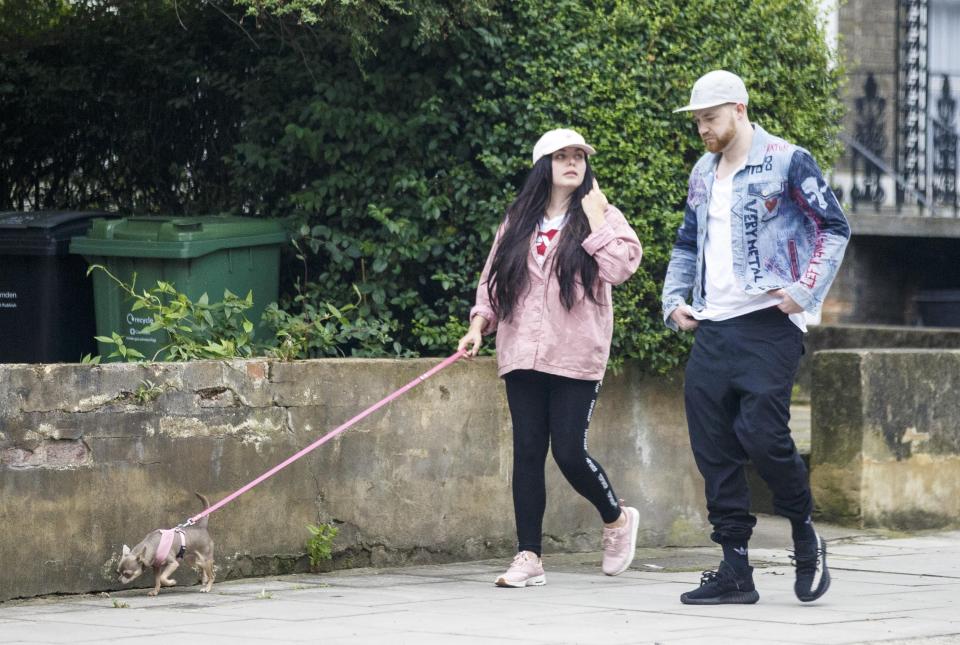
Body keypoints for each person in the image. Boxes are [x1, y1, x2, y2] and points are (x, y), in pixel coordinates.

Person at [662, 70, 850, 605]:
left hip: (770, 323)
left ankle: (803, 531)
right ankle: (735, 569)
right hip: (713, 326)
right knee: (713, 449)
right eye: (697, 120)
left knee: (762, 436)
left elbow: (833, 227)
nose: (703, 128)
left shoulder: (789, 159)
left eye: (711, 118)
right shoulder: (702, 172)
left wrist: (805, 290)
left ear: (740, 110)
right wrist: (674, 300)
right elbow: (685, 242)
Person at [458, 128, 643, 588]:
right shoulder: (517, 220)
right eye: (562, 156)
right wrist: (478, 326)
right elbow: (493, 283)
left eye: (578, 156)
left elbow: (621, 268)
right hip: (521, 352)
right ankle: (529, 556)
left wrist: (597, 218)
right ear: (544, 165)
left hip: (576, 355)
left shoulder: (602, 215)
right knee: (526, 454)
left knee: (568, 451)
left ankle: (616, 518)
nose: (572, 163)